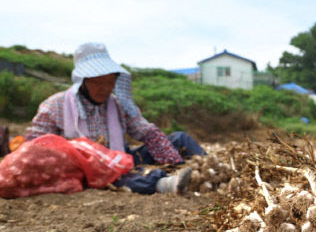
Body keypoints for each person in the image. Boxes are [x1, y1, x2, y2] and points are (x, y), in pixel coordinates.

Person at [24, 42, 205, 194]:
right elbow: (35, 148)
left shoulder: (117, 105)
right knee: (123, 178)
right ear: (83, 81)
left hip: (121, 158)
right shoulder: (55, 106)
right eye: (98, 82)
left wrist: (174, 161)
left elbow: (145, 132)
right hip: (87, 170)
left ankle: (210, 172)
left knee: (180, 139)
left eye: (110, 82)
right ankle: (164, 183)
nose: (105, 88)